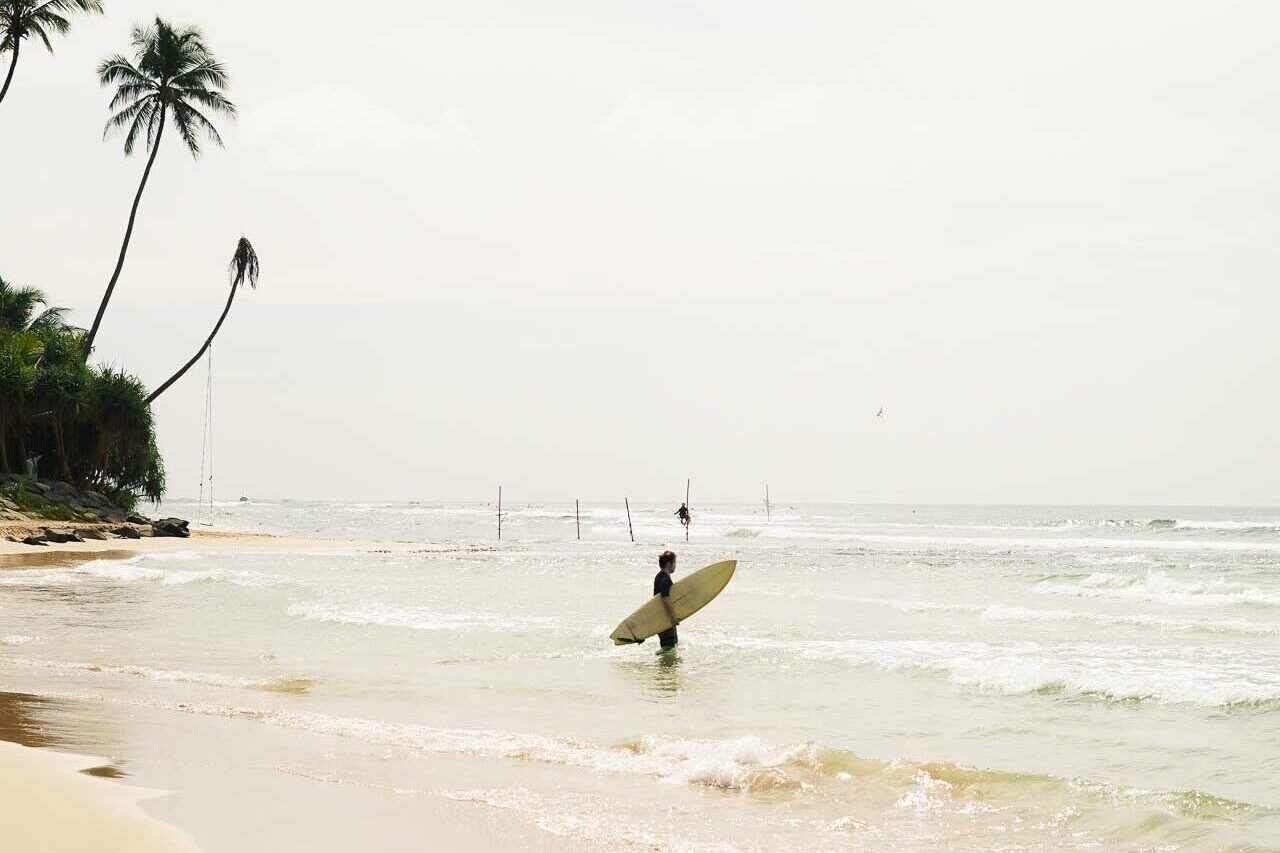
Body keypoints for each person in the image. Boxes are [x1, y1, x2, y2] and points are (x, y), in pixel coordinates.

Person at [654, 550, 680, 649]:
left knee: (667, 647)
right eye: (674, 562)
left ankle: (662, 663)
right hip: (665, 619)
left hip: (661, 618)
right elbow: (665, 598)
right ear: (669, 563)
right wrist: (672, 617)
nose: (675, 565)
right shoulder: (665, 579)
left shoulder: (659, 576)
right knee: (669, 648)